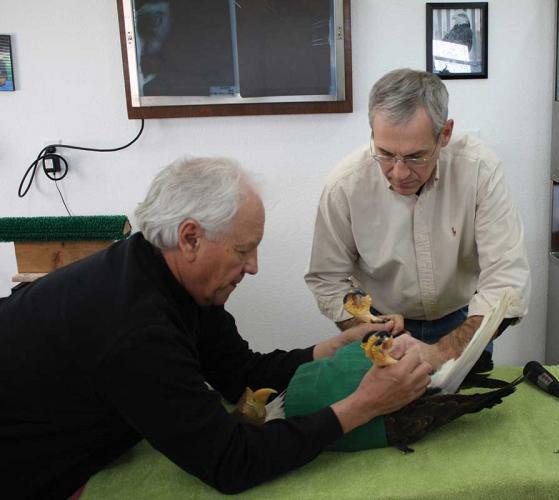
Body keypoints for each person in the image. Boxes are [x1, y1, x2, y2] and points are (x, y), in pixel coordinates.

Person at [0, 157, 432, 498]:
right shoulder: (135, 327)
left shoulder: (166, 275)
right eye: (243, 250)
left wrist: (335, 345)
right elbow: (231, 463)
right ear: (190, 238)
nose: (254, 267)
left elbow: (241, 374)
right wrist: (365, 405)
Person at [305, 68, 531, 369]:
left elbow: (507, 280)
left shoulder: (480, 171)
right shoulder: (345, 185)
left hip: (464, 319)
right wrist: (368, 326)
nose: (398, 172)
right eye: (385, 153)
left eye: (415, 157)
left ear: (445, 134)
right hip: (385, 325)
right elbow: (327, 278)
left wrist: (440, 353)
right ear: (373, 133)